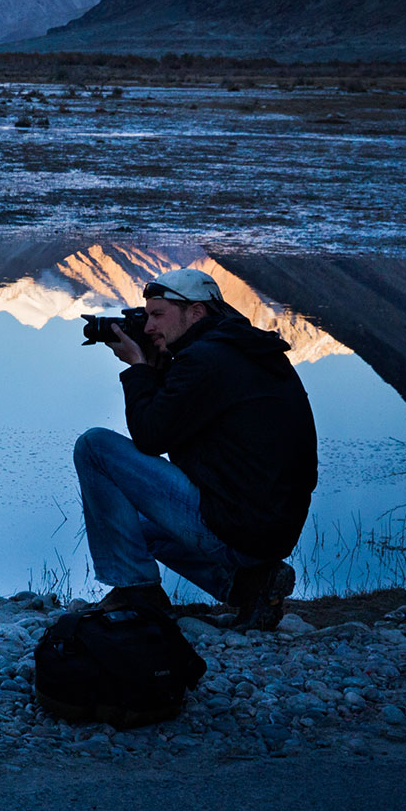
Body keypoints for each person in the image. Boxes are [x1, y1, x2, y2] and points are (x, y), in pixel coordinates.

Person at [74, 268, 317, 630]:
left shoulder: (204, 360)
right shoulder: (242, 349)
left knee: (94, 447)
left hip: (238, 526)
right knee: (132, 527)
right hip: (268, 529)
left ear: (197, 313)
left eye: (158, 315)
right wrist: (159, 372)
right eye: (147, 316)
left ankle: (136, 592)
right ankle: (252, 585)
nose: (149, 327)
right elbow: (175, 429)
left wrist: (140, 368)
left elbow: (152, 437)